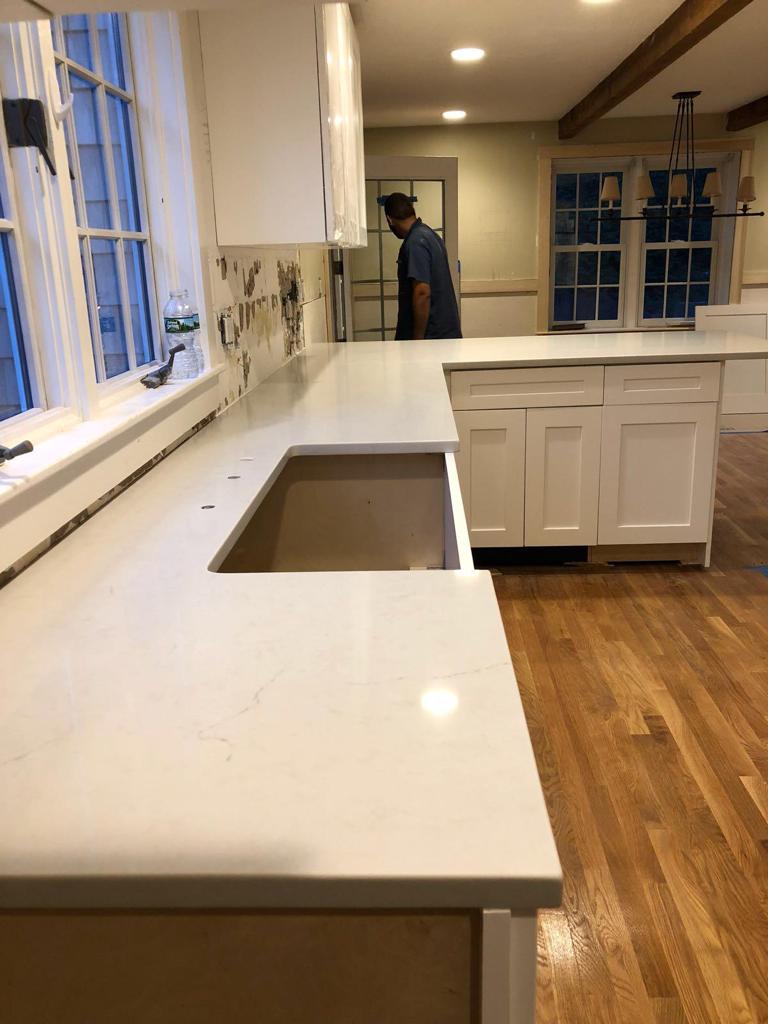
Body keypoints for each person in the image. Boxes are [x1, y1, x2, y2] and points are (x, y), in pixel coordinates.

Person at [384, 192, 462, 340]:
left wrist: (418, 339)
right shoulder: (431, 236)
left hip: (431, 337)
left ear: (389, 220)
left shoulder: (415, 243)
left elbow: (422, 292)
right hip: (445, 334)